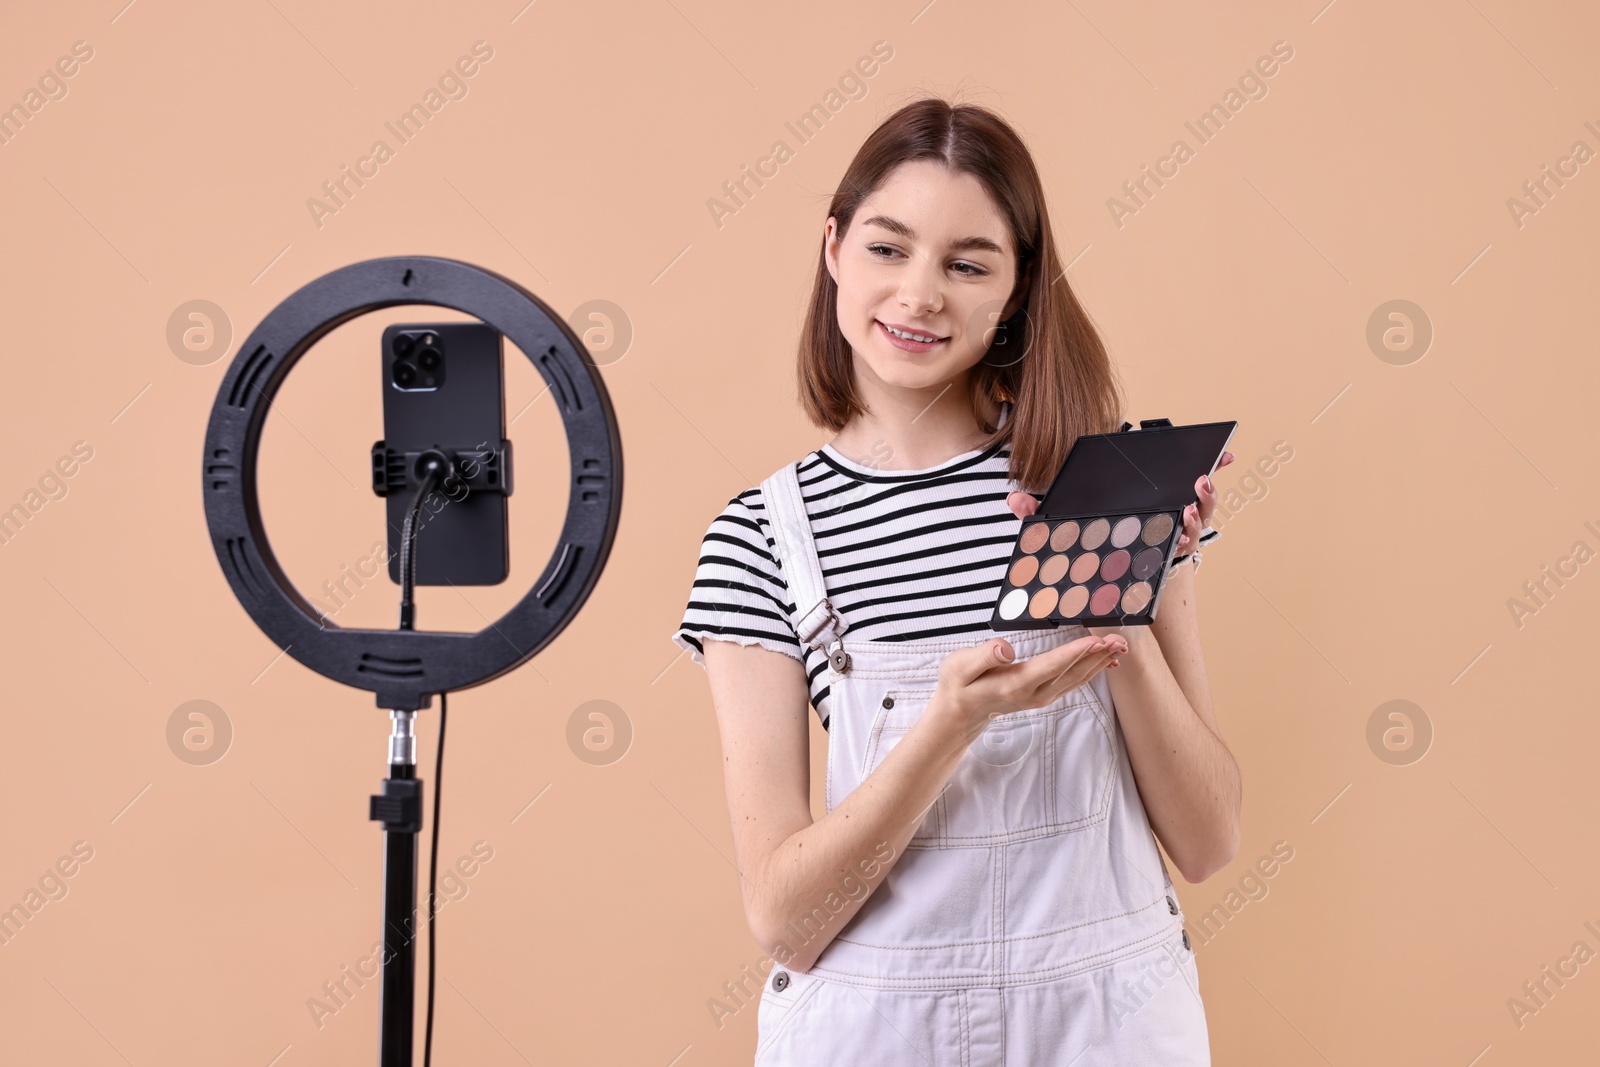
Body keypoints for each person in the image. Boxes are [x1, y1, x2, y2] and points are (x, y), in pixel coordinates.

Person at [671, 96, 1241, 1065]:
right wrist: (948, 725)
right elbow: (784, 918)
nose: (920, 293)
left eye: (968, 262)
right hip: (876, 1031)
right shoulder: (760, 539)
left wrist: (1117, 602)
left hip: (1105, 1022)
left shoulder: (1109, 486)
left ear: (1017, 290)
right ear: (833, 249)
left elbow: (1207, 838)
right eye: (888, 249)